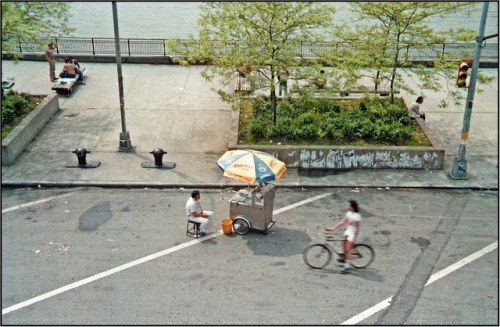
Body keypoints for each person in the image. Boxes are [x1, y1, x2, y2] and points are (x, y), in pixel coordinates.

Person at [326, 200, 361, 274]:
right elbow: (342, 222)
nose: (346, 206)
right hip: (348, 230)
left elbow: (357, 229)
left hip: (353, 232)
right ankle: (344, 257)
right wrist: (333, 228)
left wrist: (353, 239)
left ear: (351, 207)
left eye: (348, 205)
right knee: (343, 244)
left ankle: (347, 266)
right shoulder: (349, 213)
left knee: (348, 249)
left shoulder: (357, 216)